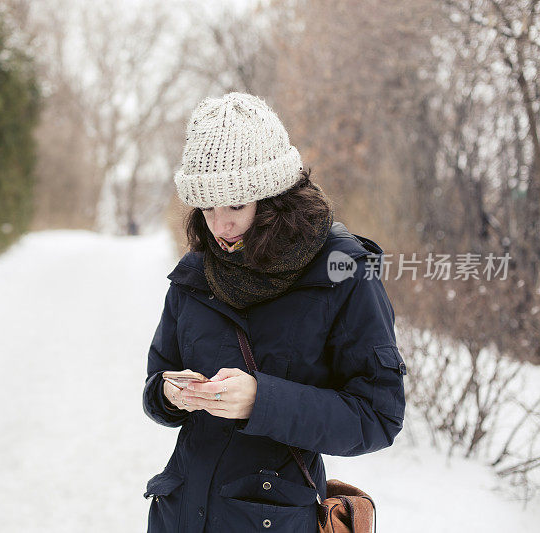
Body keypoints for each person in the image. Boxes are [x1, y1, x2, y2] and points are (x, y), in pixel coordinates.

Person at [142, 92, 407, 532]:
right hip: (180, 514)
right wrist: (170, 395)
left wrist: (262, 401)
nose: (219, 226)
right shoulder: (194, 275)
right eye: (207, 207)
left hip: (274, 519)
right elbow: (156, 383)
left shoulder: (343, 272)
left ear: (274, 198)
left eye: (235, 205)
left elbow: (378, 416)